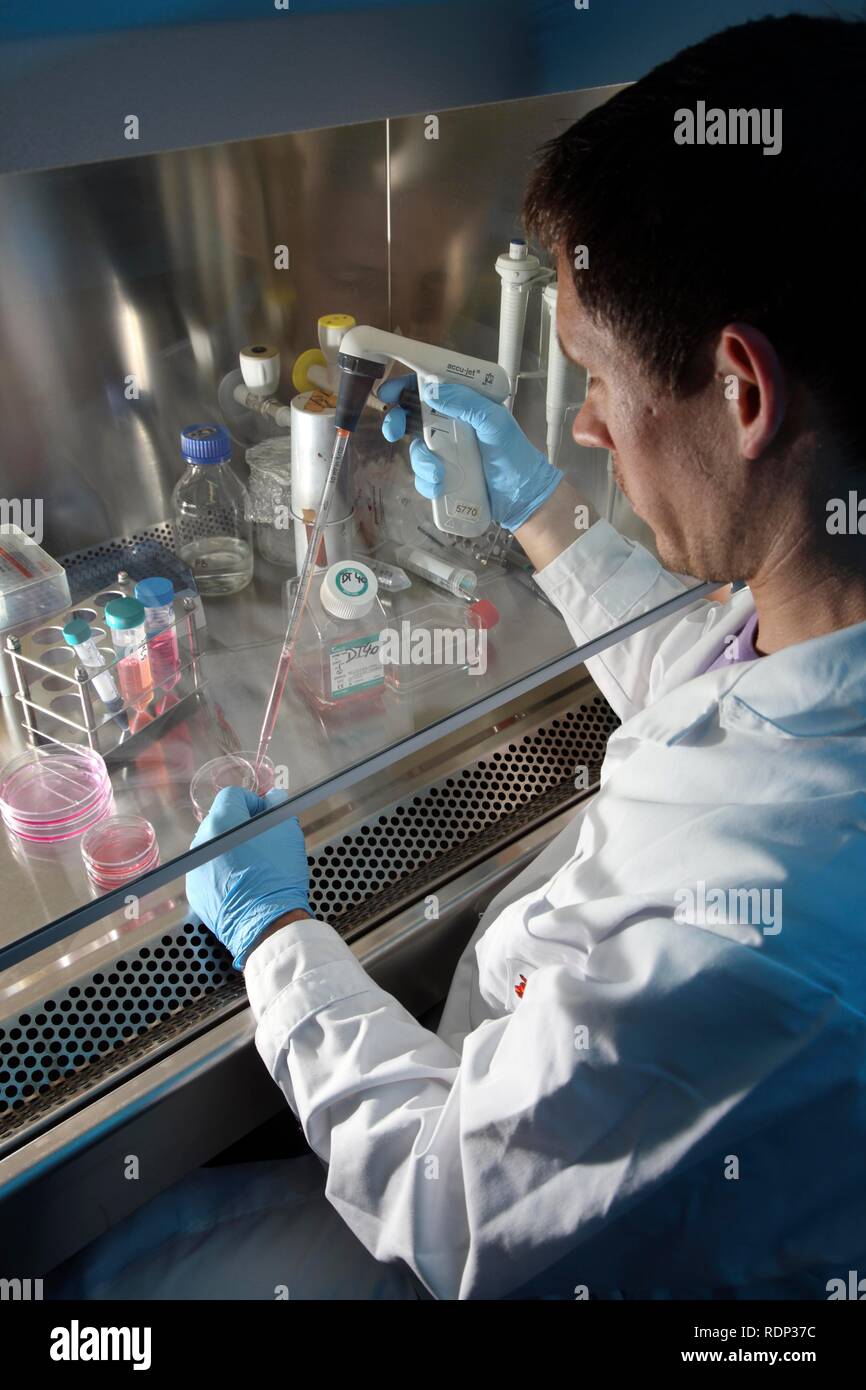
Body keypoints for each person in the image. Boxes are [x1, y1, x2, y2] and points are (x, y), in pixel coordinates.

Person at [54, 13, 866, 1300]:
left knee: (112, 1278)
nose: (587, 420)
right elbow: (722, 700)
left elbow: (447, 1201)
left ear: (742, 394)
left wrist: (274, 932)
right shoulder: (822, 619)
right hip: (524, 1115)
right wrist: (543, 511)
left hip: (497, 1240)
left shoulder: (757, 925)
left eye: (593, 375)